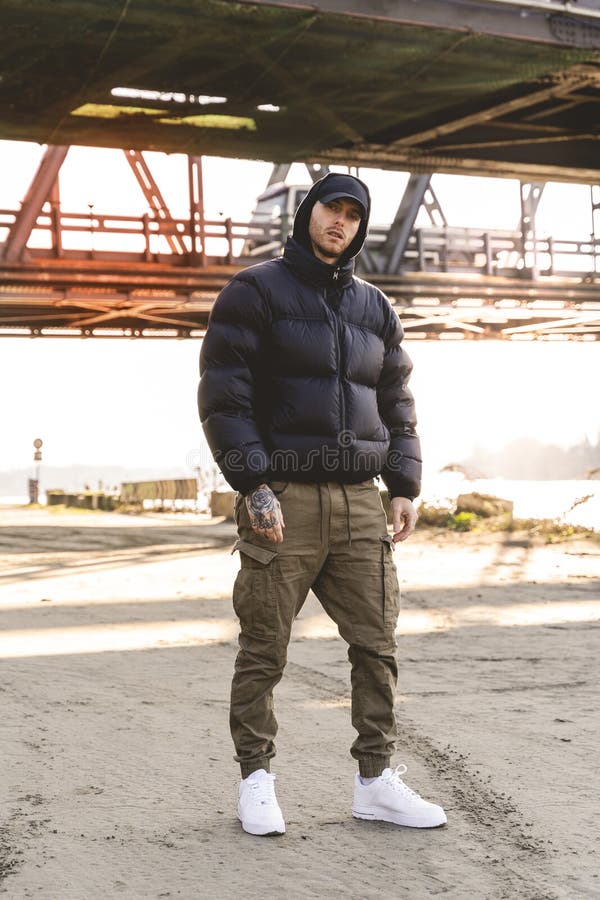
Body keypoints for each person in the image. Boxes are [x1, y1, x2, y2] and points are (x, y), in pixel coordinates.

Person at [198, 173, 446, 836]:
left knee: (377, 644)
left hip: (362, 503)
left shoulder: (376, 307)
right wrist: (253, 484)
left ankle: (376, 783)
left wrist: (405, 485)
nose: (340, 222)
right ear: (309, 212)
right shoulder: (253, 291)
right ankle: (256, 781)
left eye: (352, 215)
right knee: (264, 647)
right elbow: (225, 397)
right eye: (331, 210)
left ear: (361, 228)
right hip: (285, 499)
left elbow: (397, 402)